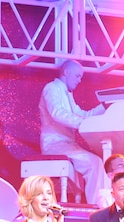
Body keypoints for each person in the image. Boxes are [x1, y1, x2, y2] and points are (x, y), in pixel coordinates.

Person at [39, 59, 106, 206]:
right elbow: (57, 113)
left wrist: (105, 106)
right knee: (94, 163)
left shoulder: (67, 95)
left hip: (67, 145)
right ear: (66, 72)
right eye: (77, 76)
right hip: (55, 144)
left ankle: (102, 204)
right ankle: (98, 207)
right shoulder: (51, 88)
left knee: (98, 162)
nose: (79, 80)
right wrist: (83, 124)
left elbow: (83, 115)